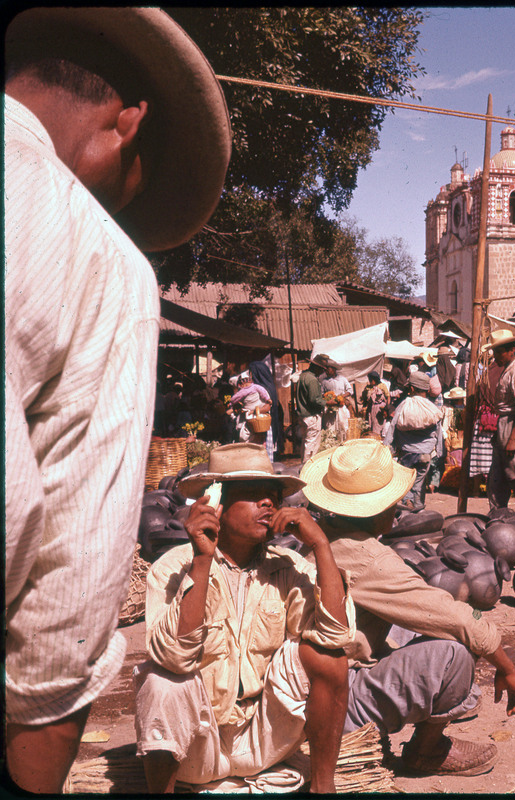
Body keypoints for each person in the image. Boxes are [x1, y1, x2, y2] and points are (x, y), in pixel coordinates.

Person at [4, 8, 231, 793]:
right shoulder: (100, 258)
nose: (117, 210)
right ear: (129, 120)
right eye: (133, 189)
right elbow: (60, 629)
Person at [134, 443, 354, 793]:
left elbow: (336, 636)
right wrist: (202, 561)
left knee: (327, 658)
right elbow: (175, 656)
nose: (268, 503)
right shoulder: (173, 567)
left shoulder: (289, 567)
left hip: (264, 737)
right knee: (161, 680)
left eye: (273, 497)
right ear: (216, 506)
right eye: (253, 495)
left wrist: (321, 546)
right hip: (197, 745)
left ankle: (323, 789)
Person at [299, 439, 515, 776]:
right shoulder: (368, 559)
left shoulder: (322, 538)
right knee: (456, 650)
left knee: (415, 624)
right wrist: (507, 668)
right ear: (381, 508)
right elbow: (457, 618)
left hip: (311, 692)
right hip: (331, 704)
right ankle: (427, 750)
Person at [482, 329, 515, 512]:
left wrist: (513, 438)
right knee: (497, 477)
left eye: (499, 352)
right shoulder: (507, 370)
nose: (496, 356)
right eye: (495, 352)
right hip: (505, 424)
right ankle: (498, 514)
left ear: (511, 350)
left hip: (514, 425)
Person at [383, 371, 444, 511]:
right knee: (419, 482)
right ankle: (418, 507)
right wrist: (440, 452)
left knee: (405, 482)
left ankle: (408, 504)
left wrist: (387, 447)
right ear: (427, 390)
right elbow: (439, 431)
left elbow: (393, 426)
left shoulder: (405, 404)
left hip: (407, 453)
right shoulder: (431, 408)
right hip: (425, 454)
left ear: (411, 389)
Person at [296, 354, 330, 463]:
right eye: (322, 369)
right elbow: (314, 400)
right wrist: (328, 402)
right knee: (312, 443)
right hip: (312, 416)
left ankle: (304, 465)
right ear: (317, 367)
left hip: (303, 415)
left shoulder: (303, 376)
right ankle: (308, 468)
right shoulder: (312, 380)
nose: (323, 372)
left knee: (305, 442)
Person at [249, 355, 284, 456]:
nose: (250, 376)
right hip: (266, 424)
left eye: (251, 373)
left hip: (261, 425)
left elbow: (268, 406)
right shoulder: (269, 386)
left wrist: (252, 411)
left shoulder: (261, 388)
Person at [320, 358, 352, 441]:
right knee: (330, 427)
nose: (326, 370)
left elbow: (350, 390)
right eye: (325, 369)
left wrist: (341, 397)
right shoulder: (324, 381)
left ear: (334, 369)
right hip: (330, 408)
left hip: (341, 407)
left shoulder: (342, 379)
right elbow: (321, 393)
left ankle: (342, 443)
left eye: (328, 369)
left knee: (342, 426)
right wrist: (327, 398)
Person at [362, 371, 389, 437]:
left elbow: (388, 396)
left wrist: (387, 407)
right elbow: (365, 398)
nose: (370, 382)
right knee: (373, 424)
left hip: (380, 408)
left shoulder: (382, 386)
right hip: (372, 408)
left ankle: (380, 437)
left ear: (374, 380)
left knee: (379, 424)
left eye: (370, 380)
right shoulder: (368, 387)